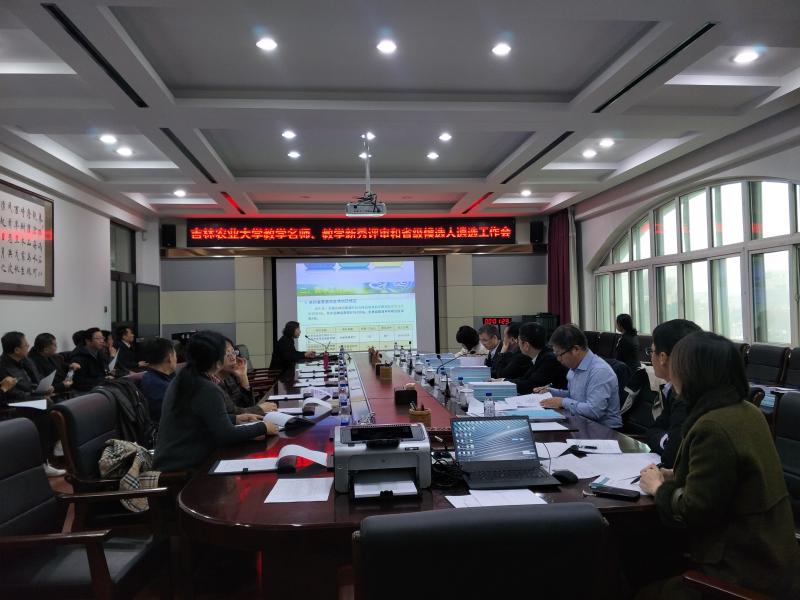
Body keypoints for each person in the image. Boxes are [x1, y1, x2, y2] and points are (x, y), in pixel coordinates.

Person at [638, 332, 800, 598]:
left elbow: (692, 512)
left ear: (694, 374)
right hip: (772, 559)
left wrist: (658, 488)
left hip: (739, 572)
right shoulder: (747, 411)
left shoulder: (712, 427)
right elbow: (728, 480)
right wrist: (679, 476)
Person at [154, 330, 279, 472]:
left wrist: (235, 419)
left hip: (172, 459)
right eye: (225, 353)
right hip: (185, 468)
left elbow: (196, 420)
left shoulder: (184, 378)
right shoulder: (206, 388)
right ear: (218, 361)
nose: (231, 356)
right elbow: (226, 435)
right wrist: (263, 427)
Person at [0, 331, 63, 476]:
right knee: (45, 409)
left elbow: (32, 383)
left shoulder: (26, 361)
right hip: (11, 405)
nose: (29, 346)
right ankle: (43, 461)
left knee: (56, 407)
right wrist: (36, 396)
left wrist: (42, 389)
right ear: (16, 350)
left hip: (28, 399)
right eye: (25, 345)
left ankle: (55, 447)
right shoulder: (2, 367)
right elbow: (12, 394)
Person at [536, 324, 622, 428]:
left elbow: (594, 411)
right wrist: (551, 392)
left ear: (575, 349)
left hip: (605, 430)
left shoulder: (600, 371)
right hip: (581, 423)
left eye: (560, 355)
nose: (558, 359)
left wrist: (562, 402)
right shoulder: (574, 368)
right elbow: (575, 396)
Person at [642, 319, 701, 469]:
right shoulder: (672, 389)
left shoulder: (687, 397)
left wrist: (669, 443)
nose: (651, 357)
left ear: (662, 357)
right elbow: (653, 431)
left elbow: (672, 457)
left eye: (651, 351)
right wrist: (667, 440)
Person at [216, 338, 276, 416]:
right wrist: (259, 409)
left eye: (233, 352)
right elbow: (232, 413)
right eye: (228, 354)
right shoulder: (213, 383)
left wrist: (243, 377)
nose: (233, 358)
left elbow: (248, 405)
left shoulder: (230, 377)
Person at [510, 322, 568, 394]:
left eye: (518, 340)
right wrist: (503, 381)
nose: (518, 344)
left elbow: (531, 386)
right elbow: (524, 379)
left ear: (526, 345)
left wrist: (504, 382)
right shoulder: (541, 356)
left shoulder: (549, 359)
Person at [139, 337, 178, 422]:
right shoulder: (156, 385)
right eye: (175, 355)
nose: (176, 359)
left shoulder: (156, 377)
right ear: (170, 357)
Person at [72, 328, 113, 392]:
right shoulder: (79, 357)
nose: (102, 341)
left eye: (102, 338)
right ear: (88, 341)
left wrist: (109, 373)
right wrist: (103, 379)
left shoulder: (100, 353)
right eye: (98, 338)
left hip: (102, 386)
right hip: (88, 391)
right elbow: (79, 382)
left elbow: (104, 371)